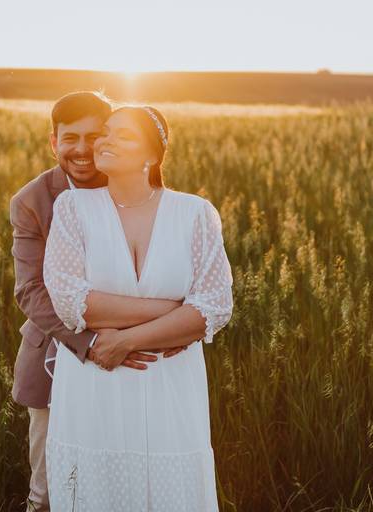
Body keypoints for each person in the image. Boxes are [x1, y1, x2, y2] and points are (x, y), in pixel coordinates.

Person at [43, 104, 234, 511]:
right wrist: (175, 310)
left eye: (123, 136)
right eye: (106, 132)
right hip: (93, 386)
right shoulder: (72, 210)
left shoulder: (195, 213)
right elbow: (71, 302)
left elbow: (215, 305)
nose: (106, 141)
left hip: (169, 385)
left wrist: (125, 340)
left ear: (151, 156)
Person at [9, 92, 189, 512]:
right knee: (52, 490)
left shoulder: (135, 186)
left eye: (95, 136)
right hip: (57, 356)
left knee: (125, 483)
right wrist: (93, 342)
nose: (83, 149)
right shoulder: (32, 202)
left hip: (145, 357)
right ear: (53, 143)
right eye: (70, 138)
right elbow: (31, 291)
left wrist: (156, 332)